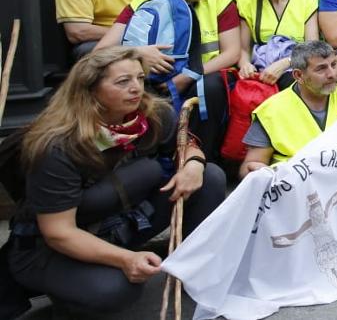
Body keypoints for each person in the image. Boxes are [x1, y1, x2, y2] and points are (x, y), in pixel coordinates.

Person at [5, 47, 225, 316]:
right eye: (123, 82)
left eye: (140, 78)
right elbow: (58, 233)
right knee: (116, 288)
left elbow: (184, 142)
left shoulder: (150, 114)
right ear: (90, 90)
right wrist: (126, 259)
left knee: (210, 177)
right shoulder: (57, 147)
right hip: (52, 248)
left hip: (121, 223)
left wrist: (193, 163)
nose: (136, 88)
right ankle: (68, 298)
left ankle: (191, 270)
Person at [99, 0, 242, 160]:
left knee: (209, 87)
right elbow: (100, 53)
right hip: (154, 76)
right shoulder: (142, 4)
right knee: (135, 87)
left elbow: (231, 53)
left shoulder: (219, 0)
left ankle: (200, 157)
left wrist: (187, 76)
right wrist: (138, 53)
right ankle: (149, 158)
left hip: (205, 73)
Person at [240, 41, 337, 175]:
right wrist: (259, 171)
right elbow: (249, 166)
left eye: (334, 65)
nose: (332, 74)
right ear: (298, 76)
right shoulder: (271, 111)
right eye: (321, 69)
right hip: (296, 188)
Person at [236, 0, 321, 86]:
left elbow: (311, 46)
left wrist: (284, 64)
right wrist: (245, 64)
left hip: (297, 67)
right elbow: (244, 49)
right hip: (260, 69)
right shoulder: (245, 0)